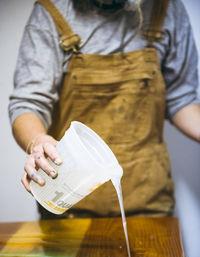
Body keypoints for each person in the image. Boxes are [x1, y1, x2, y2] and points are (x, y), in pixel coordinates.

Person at [9, 0, 200, 219]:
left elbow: (181, 98)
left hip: (148, 201)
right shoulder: (51, 12)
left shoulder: (166, 8)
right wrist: (37, 141)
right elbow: (29, 102)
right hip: (70, 204)